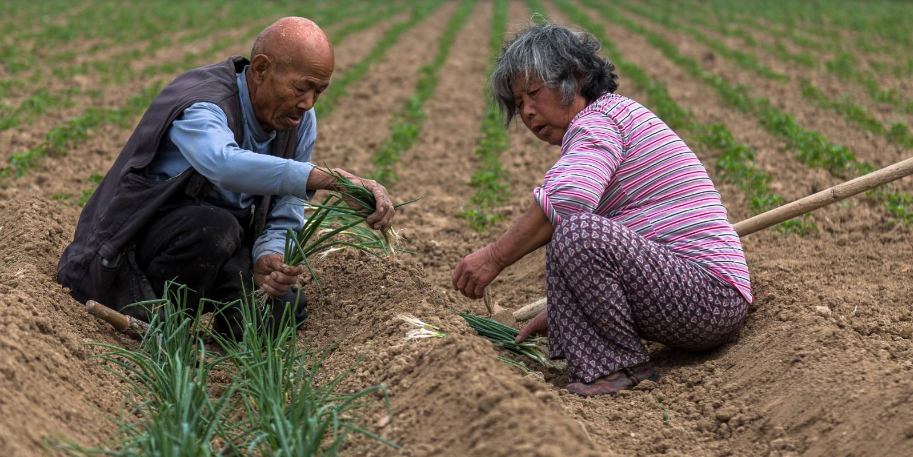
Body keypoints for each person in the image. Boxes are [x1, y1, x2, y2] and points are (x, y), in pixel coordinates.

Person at [452, 23, 752, 396]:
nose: (528, 112)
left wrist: (494, 257)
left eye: (533, 93)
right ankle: (605, 358)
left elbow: (568, 201)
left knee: (577, 232)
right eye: (518, 104)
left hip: (707, 296)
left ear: (575, 78)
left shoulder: (599, 122)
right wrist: (569, 313)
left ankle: (620, 367)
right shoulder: (609, 117)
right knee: (572, 232)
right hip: (695, 295)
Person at [58, 17, 394, 337]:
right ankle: (151, 321)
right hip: (133, 252)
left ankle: (213, 332)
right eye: (302, 88)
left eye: (319, 91)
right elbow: (223, 163)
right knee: (213, 227)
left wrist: (269, 254)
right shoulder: (204, 102)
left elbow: (285, 211)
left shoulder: (298, 121)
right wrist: (327, 178)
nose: (308, 103)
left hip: (216, 249)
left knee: (281, 310)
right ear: (261, 69)